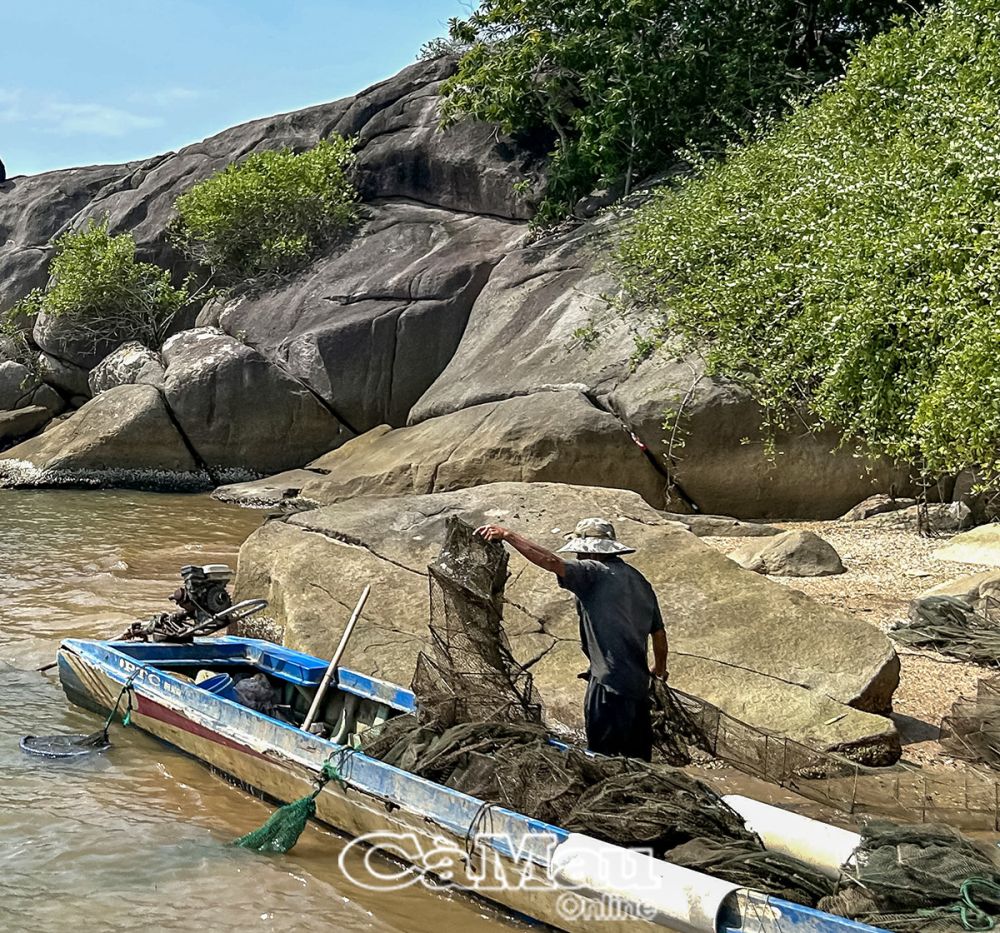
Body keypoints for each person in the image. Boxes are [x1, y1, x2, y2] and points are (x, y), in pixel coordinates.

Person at [475, 517, 667, 761]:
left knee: (603, 758)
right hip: (638, 688)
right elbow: (659, 635)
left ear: (592, 553)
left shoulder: (593, 572)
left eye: (579, 552)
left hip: (608, 685)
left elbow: (551, 561)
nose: (577, 558)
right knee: (638, 761)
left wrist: (508, 535)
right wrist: (659, 670)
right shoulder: (640, 581)